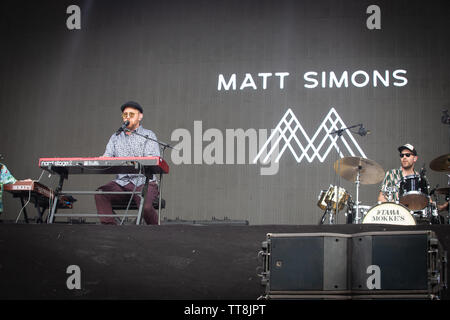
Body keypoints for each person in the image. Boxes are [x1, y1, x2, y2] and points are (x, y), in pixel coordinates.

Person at [95, 101, 160, 225]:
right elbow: (107, 157)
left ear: (140, 116)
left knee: (146, 207)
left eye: (131, 114)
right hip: (121, 183)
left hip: (144, 182)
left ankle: (157, 232)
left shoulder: (148, 135)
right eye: (125, 115)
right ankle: (112, 230)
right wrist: (102, 159)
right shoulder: (115, 137)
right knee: (100, 194)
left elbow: (152, 159)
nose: (127, 117)